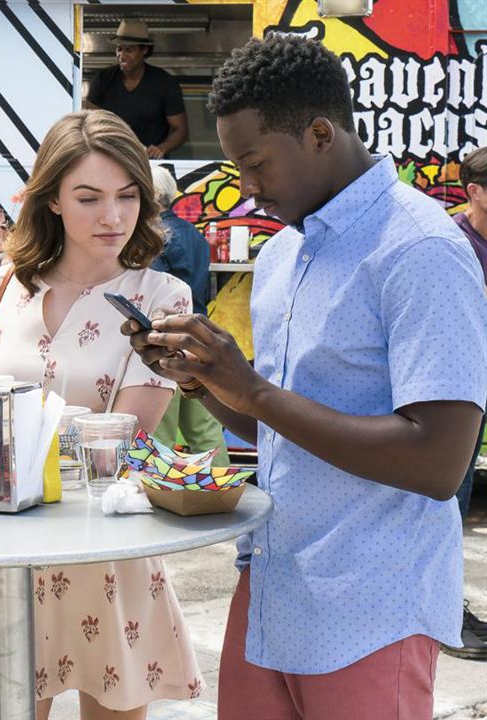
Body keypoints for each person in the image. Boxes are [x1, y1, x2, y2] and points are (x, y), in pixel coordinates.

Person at [125, 35, 487, 718]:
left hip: (372, 601)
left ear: (321, 134)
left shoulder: (421, 250)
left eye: (254, 163)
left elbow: (440, 460)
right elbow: (280, 429)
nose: (245, 187)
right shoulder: (283, 254)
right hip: (273, 580)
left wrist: (254, 388)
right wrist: (206, 381)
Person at [0, 110, 202, 720]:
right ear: (53, 201)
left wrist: (9, 427)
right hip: (6, 547)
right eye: (89, 197)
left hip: (105, 547)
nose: (112, 216)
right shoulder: (2, 284)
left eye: (127, 196)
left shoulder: (162, 297)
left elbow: (124, 439)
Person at [149, 165, 229, 464]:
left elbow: (152, 296)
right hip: (199, 338)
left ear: (153, 195)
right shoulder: (193, 233)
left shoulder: (157, 236)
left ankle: (158, 495)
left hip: (166, 341)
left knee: (162, 431)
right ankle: (222, 488)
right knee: (204, 430)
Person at [445, 146, 487, 660]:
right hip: (453, 396)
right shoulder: (452, 243)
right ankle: (443, 613)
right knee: (446, 502)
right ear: (474, 191)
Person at [85, 20, 187, 159]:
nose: (122, 55)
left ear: (144, 49)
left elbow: (180, 129)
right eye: (119, 49)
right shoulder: (103, 79)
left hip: (151, 162)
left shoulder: (165, 83)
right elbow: (89, 122)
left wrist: (162, 148)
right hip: (111, 159)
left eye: (129, 50)